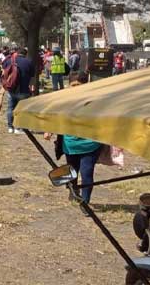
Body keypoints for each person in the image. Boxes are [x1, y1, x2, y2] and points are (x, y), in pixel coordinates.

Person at [44, 73, 101, 207]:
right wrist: (50, 130)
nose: (75, 88)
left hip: (90, 144)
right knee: (72, 171)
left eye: (78, 85)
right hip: (70, 144)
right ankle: (73, 191)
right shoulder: (65, 100)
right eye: (73, 85)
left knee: (87, 173)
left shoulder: (94, 100)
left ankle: (85, 203)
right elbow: (57, 117)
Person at [3, 47, 36, 134]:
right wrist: (32, 86)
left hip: (12, 89)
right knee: (22, 109)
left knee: (10, 108)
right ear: (26, 54)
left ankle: (10, 127)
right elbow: (32, 76)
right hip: (24, 89)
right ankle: (19, 128)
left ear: (17, 53)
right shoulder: (29, 62)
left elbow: (4, 73)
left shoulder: (10, 61)